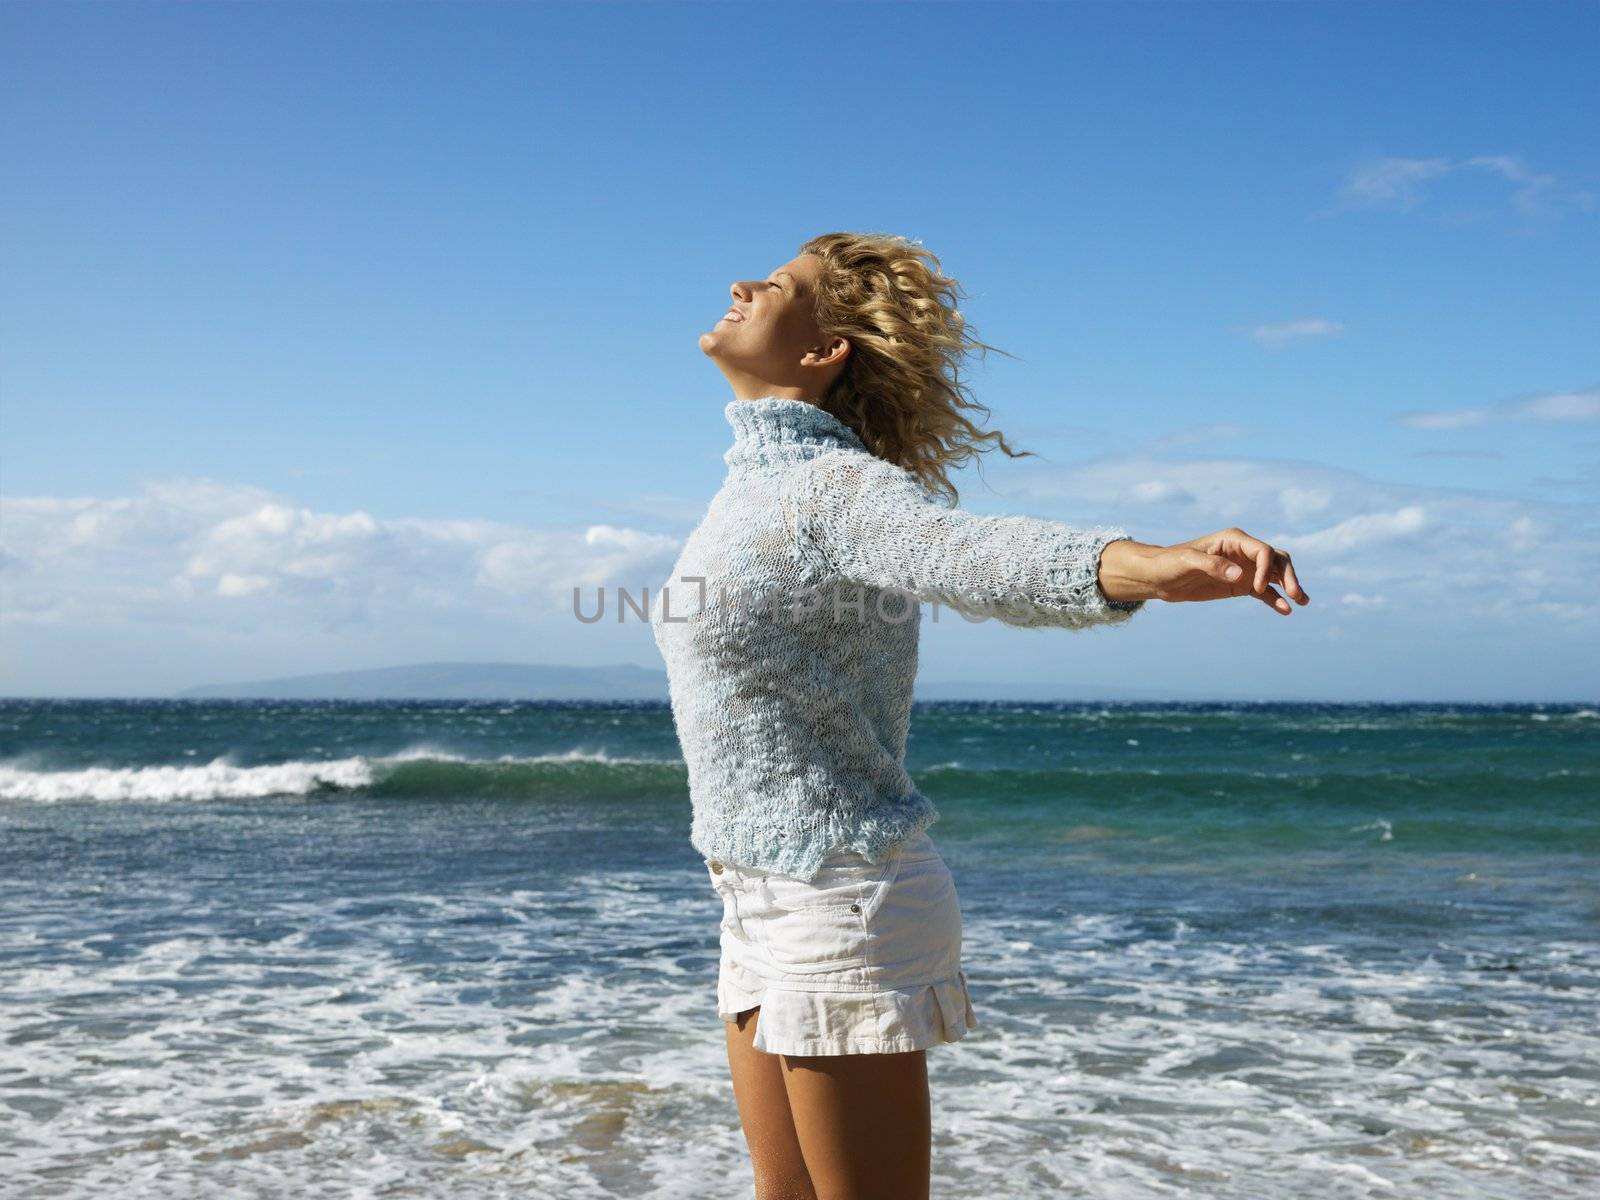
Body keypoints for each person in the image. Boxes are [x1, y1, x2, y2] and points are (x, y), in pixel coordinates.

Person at [649, 232, 1310, 1200]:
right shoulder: (748, 491)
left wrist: (1150, 567)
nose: (741, 284)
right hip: (754, 890)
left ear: (823, 352)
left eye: (779, 286)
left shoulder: (831, 488)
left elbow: (967, 554)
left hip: (839, 891)